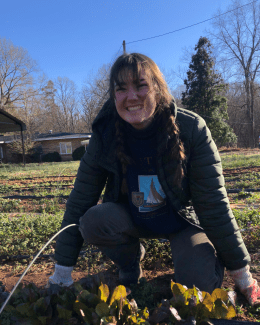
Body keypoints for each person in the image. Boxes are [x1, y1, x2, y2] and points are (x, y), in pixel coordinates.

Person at [48, 53, 260, 306]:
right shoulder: (104, 135)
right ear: (114, 96)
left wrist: (242, 273)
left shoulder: (192, 129)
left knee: (195, 292)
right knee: (93, 220)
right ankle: (130, 266)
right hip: (132, 217)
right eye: (121, 88)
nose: (132, 96)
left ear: (158, 89)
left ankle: (203, 262)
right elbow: (80, 200)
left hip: (182, 221)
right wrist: (62, 272)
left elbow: (214, 204)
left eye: (141, 85)